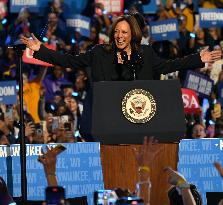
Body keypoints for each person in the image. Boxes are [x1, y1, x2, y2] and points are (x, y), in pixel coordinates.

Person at [21, 15, 222, 82]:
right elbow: (69, 61)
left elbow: (170, 65)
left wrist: (198, 59)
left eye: (124, 32)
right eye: (117, 32)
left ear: (132, 34)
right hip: (107, 118)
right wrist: (40, 50)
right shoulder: (99, 53)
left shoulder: (146, 54)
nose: (119, 36)